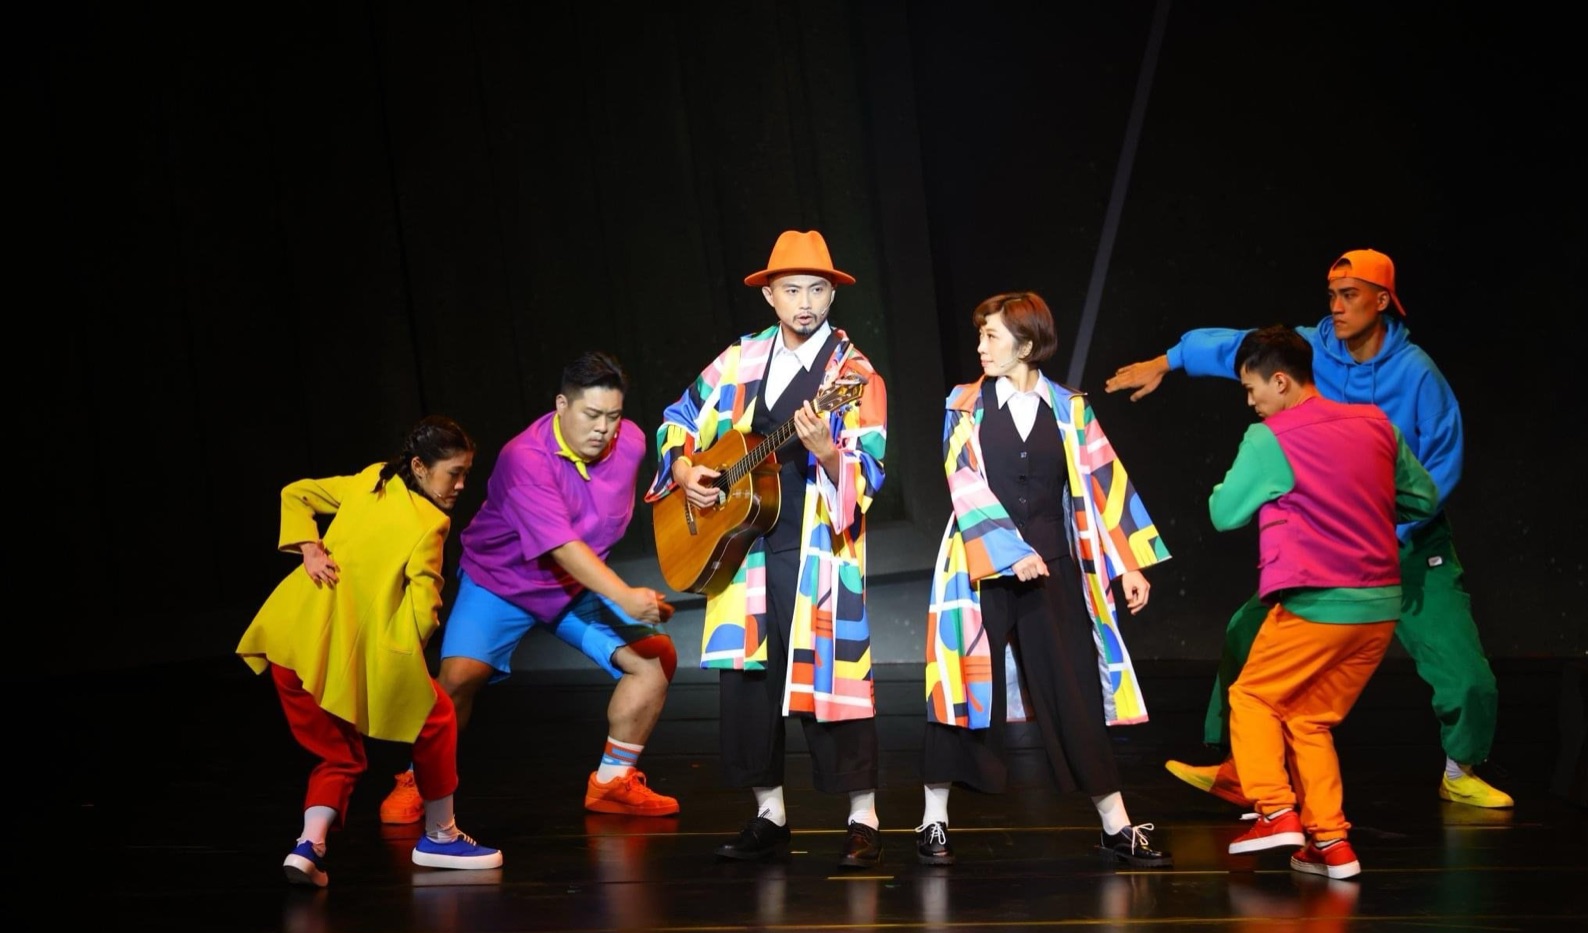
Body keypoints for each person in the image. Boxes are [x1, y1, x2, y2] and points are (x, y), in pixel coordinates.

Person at [1104, 249, 1511, 809]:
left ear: (1383, 301)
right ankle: (1241, 768)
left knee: (1466, 675)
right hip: (1329, 548)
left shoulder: (1417, 373)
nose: (1337, 307)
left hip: (1409, 546)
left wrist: (1386, 523)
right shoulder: (1311, 348)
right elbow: (1235, 346)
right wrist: (1168, 360)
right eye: (1332, 295)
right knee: (1246, 633)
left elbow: (1441, 463)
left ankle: (1460, 769)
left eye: (1350, 295)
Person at [647, 229, 889, 868]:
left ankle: (861, 816)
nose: (805, 302)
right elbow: (678, 415)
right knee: (748, 684)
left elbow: (873, 465)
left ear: (832, 295)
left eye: (817, 289)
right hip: (742, 541)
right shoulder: (739, 359)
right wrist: (682, 470)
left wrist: (828, 452)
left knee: (831, 675)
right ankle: (769, 814)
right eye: (792, 290)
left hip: (814, 542)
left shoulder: (854, 374)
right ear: (770, 297)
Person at [922, 290, 1174, 867]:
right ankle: (933, 818)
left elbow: (1105, 480)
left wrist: (1127, 563)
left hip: (1053, 564)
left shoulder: (1070, 407)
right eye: (981, 334)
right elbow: (962, 481)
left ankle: (1116, 824)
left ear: (1027, 344)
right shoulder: (964, 403)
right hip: (977, 565)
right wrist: (1010, 552)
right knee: (961, 685)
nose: (981, 346)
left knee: (1074, 688)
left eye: (992, 336)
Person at [379, 352, 680, 824]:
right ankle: (421, 779)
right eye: (592, 415)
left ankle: (612, 781)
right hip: (502, 584)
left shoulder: (633, 443)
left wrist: (683, 472)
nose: (604, 429)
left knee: (655, 661)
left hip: (572, 588)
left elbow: (666, 472)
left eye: (614, 416)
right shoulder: (525, 457)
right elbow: (561, 546)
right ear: (562, 405)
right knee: (457, 680)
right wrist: (624, 596)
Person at [237, 416, 503, 888]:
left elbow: (295, 493)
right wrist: (406, 655)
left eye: (466, 473)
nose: (462, 484)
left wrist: (309, 549)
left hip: (292, 645)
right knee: (438, 717)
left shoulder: (371, 478)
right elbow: (426, 604)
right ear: (419, 467)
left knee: (340, 756)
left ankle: (308, 847)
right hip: (344, 654)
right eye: (454, 473)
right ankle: (440, 836)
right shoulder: (430, 524)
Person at [1217, 326, 1438, 879]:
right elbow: (1421, 497)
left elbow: (1224, 513)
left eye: (1252, 390)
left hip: (1319, 603)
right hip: (1380, 609)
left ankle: (1274, 810)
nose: (1251, 403)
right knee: (1310, 719)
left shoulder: (1270, 438)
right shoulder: (1374, 422)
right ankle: (1331, 842)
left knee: (1252, 698)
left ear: (1282, 381)